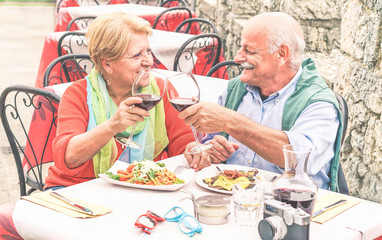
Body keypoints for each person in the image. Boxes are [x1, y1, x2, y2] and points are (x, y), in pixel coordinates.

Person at [179, 12, 343, 191]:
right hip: (235, 201)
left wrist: (230, 122)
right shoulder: (236, 89)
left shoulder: (319, 103)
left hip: (294, 208)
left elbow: (300, 158)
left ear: (281, 53)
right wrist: (206, 150)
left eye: (249, 51)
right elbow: (211, 142)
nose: (238, 58)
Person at [44, 12, 194, 189]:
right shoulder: (77, 94)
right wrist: (112, 126)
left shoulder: (160, 90)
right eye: (137, 55)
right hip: (78, 189)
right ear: (107, 64)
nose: (149, 61)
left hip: (142, 188)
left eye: (148, 51)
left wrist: (193, 150)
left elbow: (182, 141)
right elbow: (68, 157)